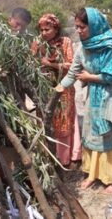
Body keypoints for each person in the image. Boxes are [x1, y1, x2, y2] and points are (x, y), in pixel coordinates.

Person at [56, 7, 112, 194]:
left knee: (110, 135)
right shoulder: (84, 47)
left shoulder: (111, 45)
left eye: (82, 27)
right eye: (77, 27)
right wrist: (59, 88)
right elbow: (74, 72)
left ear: (95, 25)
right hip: (95, 99)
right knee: (93, 134)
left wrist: (90, 78)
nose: (79, 31)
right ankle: (93, 173)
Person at [31, 13, 81, 166]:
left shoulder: (65, 42)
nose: (44, 33)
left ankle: (65, 159)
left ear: (56, 28)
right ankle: (47, 156)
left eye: (47, 29)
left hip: (62, 90)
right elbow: (31, 62)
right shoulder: (37, 43)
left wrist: (50, 64)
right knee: (45, 120)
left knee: (64, 121)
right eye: (41, 30)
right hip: (44, 89)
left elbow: (71, 66)